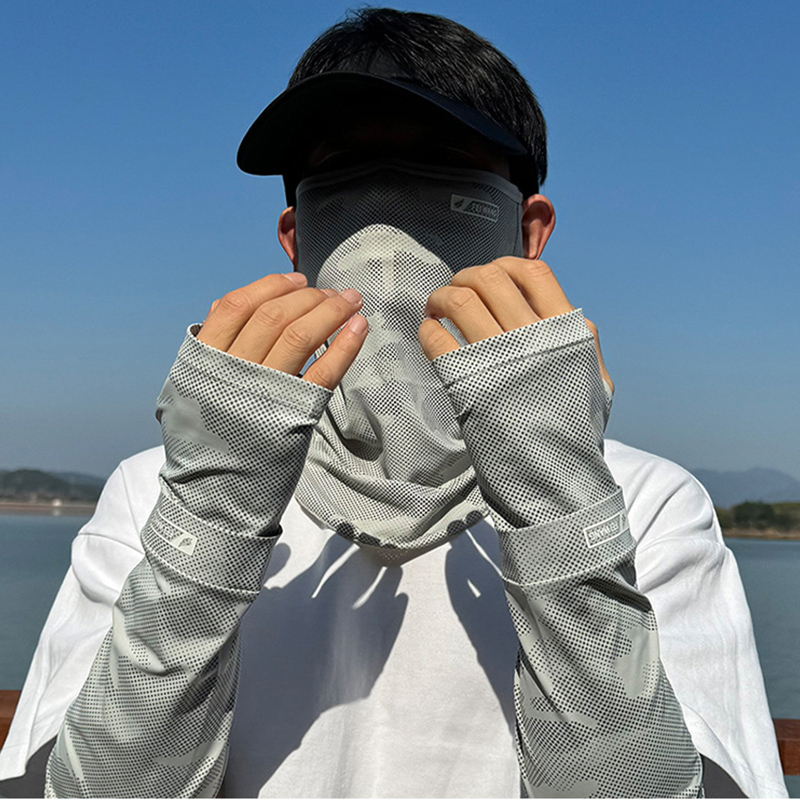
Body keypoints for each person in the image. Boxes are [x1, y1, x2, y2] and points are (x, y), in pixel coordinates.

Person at [0, 8, 788, 798]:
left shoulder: (643, 504)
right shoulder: (161, 492)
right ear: (295, 238)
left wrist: (560, 503)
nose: (385, 236)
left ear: (529, 231)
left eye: (440, 177)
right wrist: (211, 518)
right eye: (345, 183)